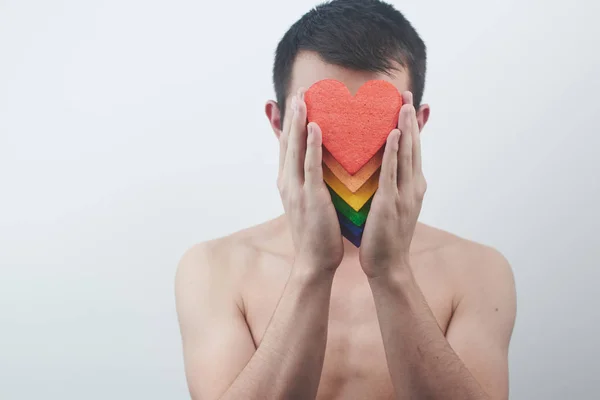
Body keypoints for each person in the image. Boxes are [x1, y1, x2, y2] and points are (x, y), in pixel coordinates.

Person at [175, 0, 517, 399]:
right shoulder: (213, 269)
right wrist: (312, 268)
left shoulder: (478, 272)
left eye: (377, 123)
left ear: (416, 127)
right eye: (323, 122)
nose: (350, 151)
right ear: (279, 123)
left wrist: (392, 274)